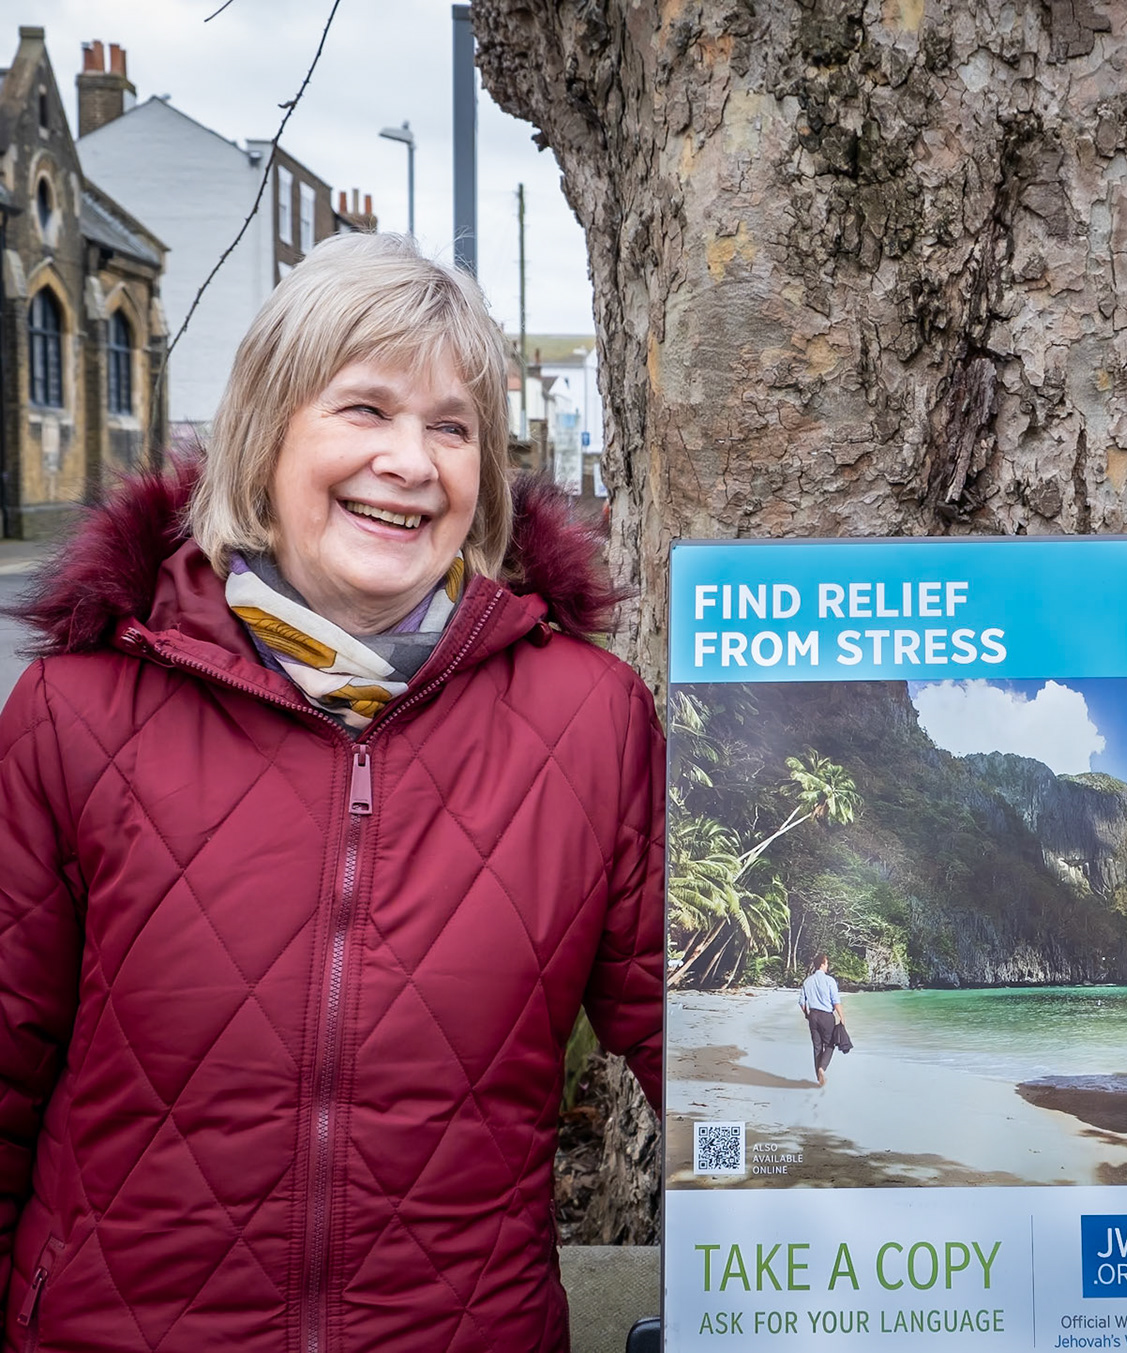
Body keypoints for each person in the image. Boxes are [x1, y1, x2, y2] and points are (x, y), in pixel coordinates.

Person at [0, 232, 664, 1351]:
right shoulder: (80, 711)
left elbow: (699, 1037)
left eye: (451, 427)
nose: (411, 462)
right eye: (364, 410)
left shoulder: (587, 718)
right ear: (266, 438)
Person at [800, 953, 843, 1086]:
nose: (827, 966)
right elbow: (835, 1001)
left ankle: (819, 1079)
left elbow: (802, 1002)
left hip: (813, 1015)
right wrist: (842, 1017)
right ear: (822, 964)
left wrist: (807, 1015)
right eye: (827, 963)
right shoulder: (829, 981)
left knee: (817, 1047)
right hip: (826, 1016)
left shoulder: (807, 981)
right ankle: (822, 1069)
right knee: (830, 1044)